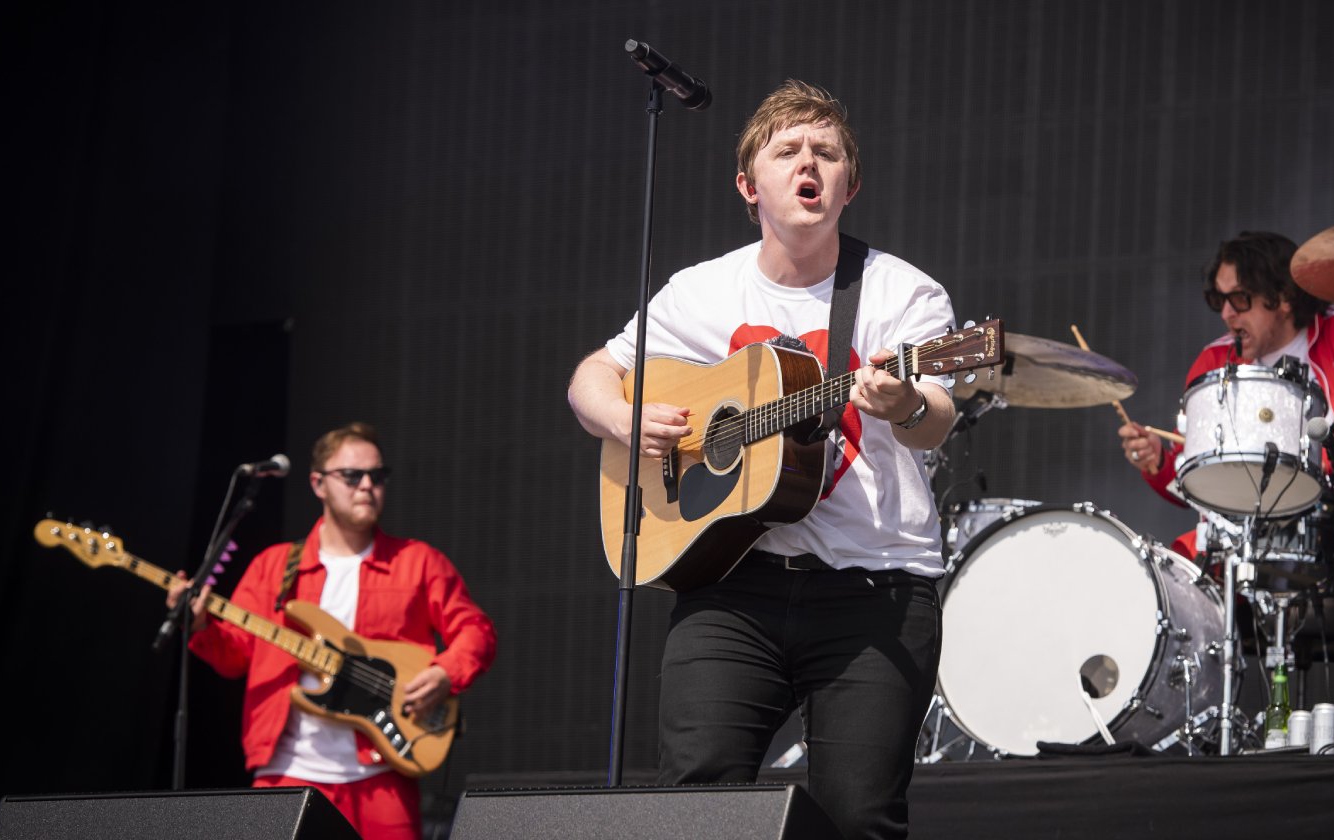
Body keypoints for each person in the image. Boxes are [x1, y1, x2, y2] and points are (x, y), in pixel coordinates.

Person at [568, 80, 955, 840]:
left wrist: (903, 403)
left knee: (857, 817)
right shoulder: (701, 292)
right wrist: (622, 416)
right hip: (731, 585)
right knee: (696, 805)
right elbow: (590, 378)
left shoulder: (901, 293)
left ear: (850, 184)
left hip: (873, 590)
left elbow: (935, 419)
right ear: (750, 185)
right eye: (788, 151)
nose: (809, 163)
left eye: (827, 152)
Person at [166, 422, 497, 840]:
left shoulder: (418, 562)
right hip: (286, 774)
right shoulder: (273, 566)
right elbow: (235, 657)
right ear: (318, 484)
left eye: (377, 477)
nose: (367, 486)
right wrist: (198, 627)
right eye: (352, 476)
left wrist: (446, 672)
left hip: (383, 774)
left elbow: (476, 630)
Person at [1117, 230, 1334, 657]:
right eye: (1219, 300)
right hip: (1244, 533)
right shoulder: (1214, 362)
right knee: (1178, 567)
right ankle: (1196, 711)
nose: (1226, 313)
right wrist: (1159, 466)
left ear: (1282, 296)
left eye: (1240, 299)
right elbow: (1201, 483)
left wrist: (1322, 457)